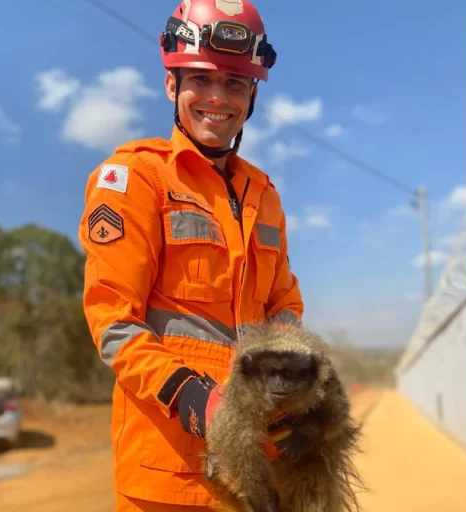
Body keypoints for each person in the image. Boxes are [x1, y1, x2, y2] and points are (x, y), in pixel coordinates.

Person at [78, 1, 302, 509]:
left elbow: (284, 304)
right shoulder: (135, 179)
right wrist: (195, 399)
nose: (218, 99)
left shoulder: (263, 194)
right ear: (171, 85)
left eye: (236, 83)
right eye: (200, 79)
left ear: (252, 96)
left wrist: (290, 381)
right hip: (168, 475)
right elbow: (113, 320)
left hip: (253, 470)